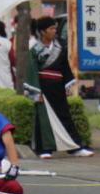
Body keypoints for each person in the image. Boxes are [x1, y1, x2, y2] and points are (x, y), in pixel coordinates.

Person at [27, 16, 93, 159]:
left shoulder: (60, 47)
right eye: (51, 28)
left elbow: (65, 67)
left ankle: (75, 147)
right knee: (43, 119)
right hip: (43, 88)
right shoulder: (34, 50)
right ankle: (44, 149)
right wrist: (36, 91)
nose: (55, 31)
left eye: (55, 28)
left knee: (65, 116)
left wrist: (68, 84)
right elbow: (32, 71)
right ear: (43, 32)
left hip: (57, 86)